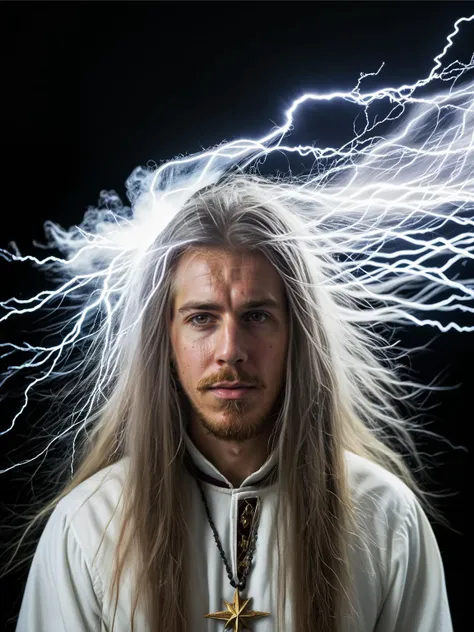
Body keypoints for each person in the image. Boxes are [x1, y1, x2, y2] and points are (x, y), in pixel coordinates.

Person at [13, 174, 453, 632]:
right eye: (202, 318)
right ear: (166, 339)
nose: (230, 350)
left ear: (295, 335)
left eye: (256, 316)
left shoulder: (385, 518)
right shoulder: (88, 526)